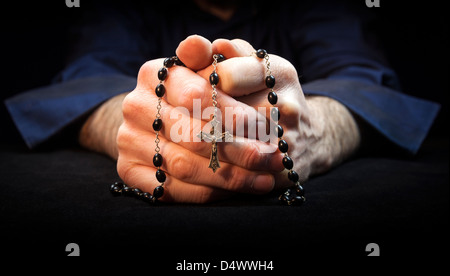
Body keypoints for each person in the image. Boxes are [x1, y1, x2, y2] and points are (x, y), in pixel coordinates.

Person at [5, 0, 439, 203]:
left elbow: (363, 77)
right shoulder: (122, 8)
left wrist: (318, 127)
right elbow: (86, 79)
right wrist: (138, 119)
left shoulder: (321, 5)